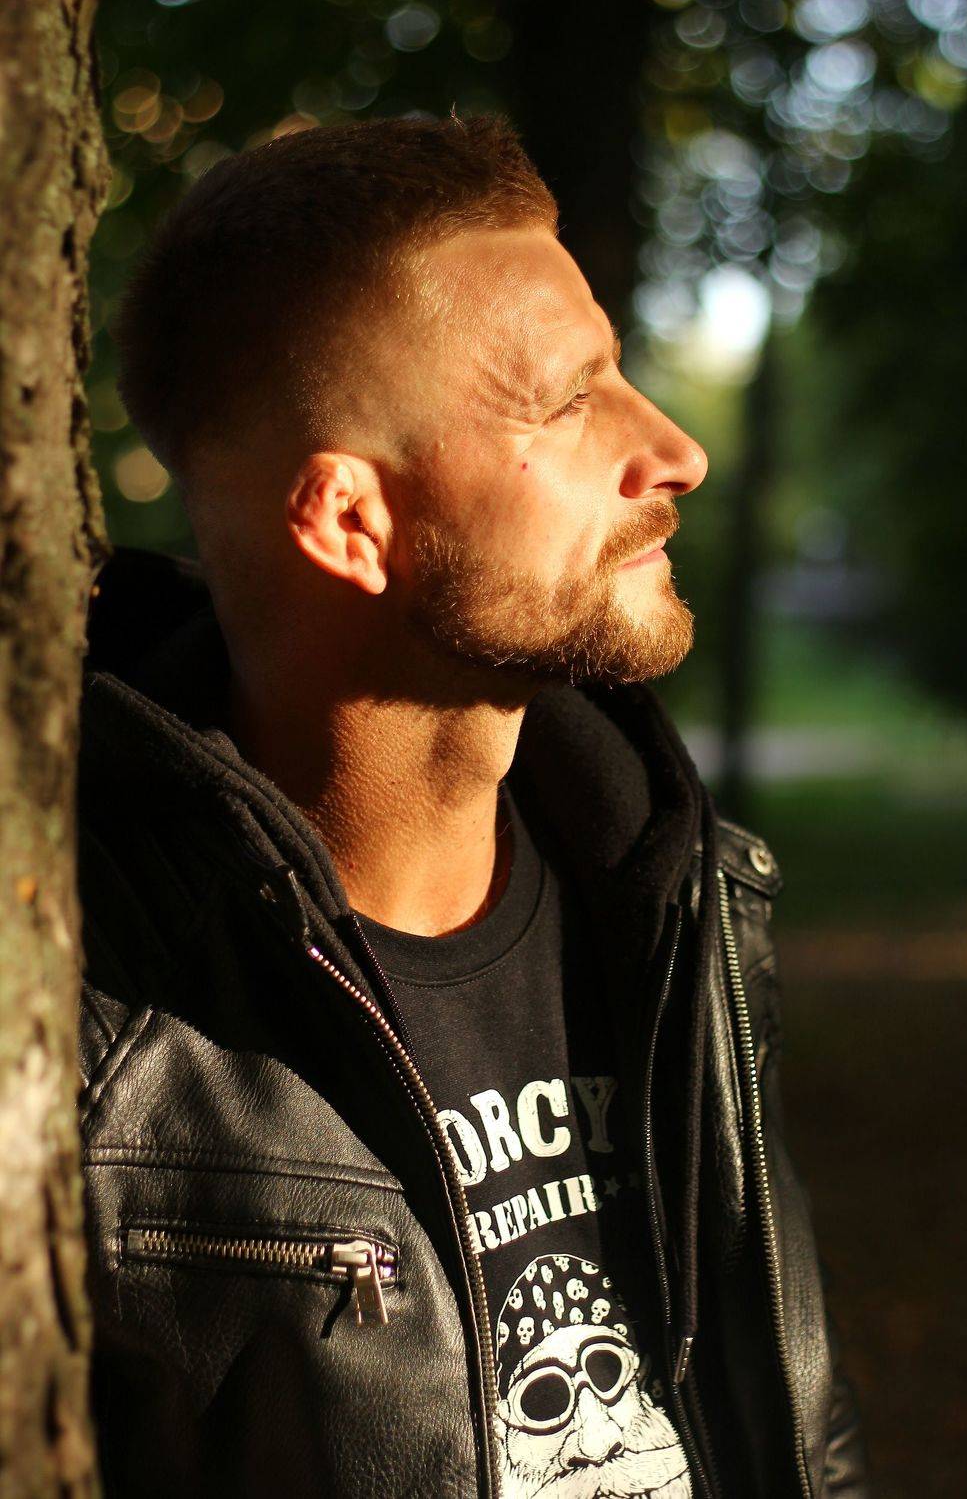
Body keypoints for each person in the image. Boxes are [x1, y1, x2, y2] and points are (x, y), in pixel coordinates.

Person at [77, 114, 868, 1498]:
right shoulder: (96, 1038)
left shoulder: (677, 892)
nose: (675, 450)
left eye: (622, 374)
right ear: (351, 524)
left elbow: (799, 1426)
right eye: (567, 402)